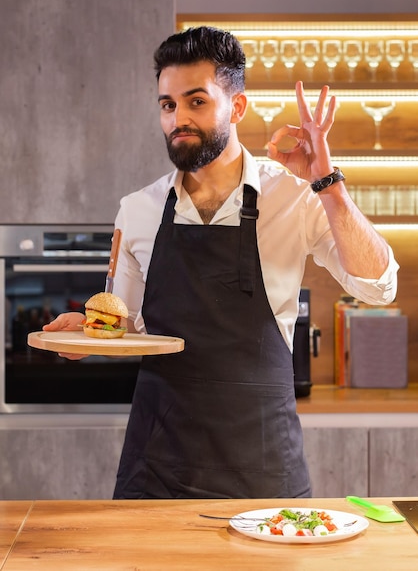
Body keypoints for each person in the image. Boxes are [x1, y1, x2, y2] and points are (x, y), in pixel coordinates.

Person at [44, 26, 399, 500]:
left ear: (237, 106)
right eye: (167, 105)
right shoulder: (139, 209)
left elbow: (379, 287)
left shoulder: (292, 196)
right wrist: (82, 337)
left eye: (196, 102)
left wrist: (328, 185)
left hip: (263, 469)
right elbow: (122, 328)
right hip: (157, 471)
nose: (178, 119)